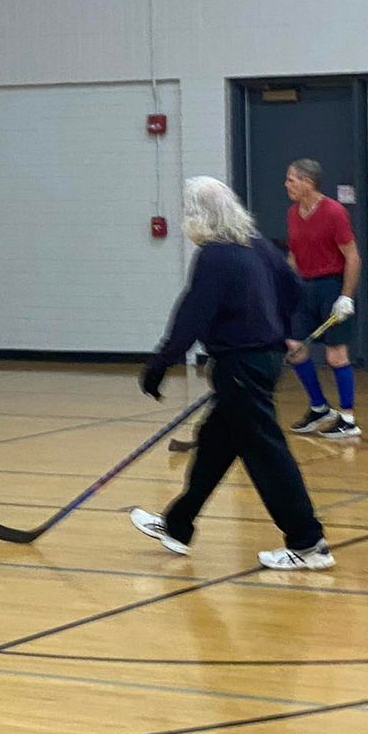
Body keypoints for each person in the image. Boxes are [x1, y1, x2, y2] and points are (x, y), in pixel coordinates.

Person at [128, 176, 334, 571]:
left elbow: (191, 314)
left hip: (240, 365)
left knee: (266, 454)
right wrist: (284, 331)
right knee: (216, 443)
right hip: (261, 361)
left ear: (198, 217)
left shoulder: (214, 255)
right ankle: (178, 525)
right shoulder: (258, 245)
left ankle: (308, 543)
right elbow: (293, 288)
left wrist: (158, 365)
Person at [284, 158, 362, 439]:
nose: (287, 185)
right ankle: (318, 407)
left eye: (291, 179)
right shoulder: (293, 214)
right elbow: (293, 255)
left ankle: (348, 418)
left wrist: (345, 296)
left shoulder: (334, 212)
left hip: (331, 286)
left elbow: (352, 256)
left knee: (336, 354)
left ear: (308, 182)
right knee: (295, 347)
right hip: (304, 287)